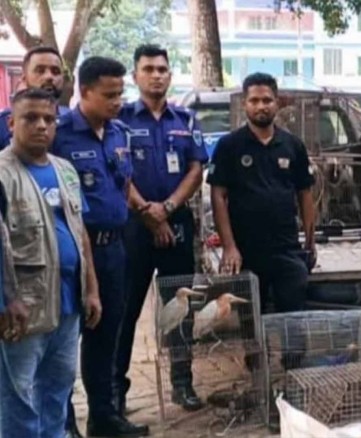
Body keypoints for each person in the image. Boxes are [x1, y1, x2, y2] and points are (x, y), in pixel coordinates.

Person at [51, 56, 149, 437]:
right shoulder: (60, 133)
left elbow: (123, 185)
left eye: (120, 94)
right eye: (109, 95)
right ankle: (64, 423)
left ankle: (103, 417)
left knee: (106, 334)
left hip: (113, 250)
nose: (117, 101)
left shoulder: (120, 133)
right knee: (64, 339)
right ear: (85, 91)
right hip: (74, 252)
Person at [0, 88, 101, 437]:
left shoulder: (66, 170)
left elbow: (80, 231)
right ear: (12, 122)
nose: (41, 126)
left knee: (58, 393)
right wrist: (6, 300)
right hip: (23, 310)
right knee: (18, 399)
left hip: (67, 307)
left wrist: (91, 289)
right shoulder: (2, 174)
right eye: (31, 118)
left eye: (49, 119)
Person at [116, 44, 208, 415]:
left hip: (178, 224)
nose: (156, 75)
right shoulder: (119, 120)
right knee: (125, 311)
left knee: (181, 307)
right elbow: (117, 173)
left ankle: (182, 384)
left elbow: (196, 171)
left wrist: (167, 209)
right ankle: (114, 393)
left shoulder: (185, 120)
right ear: (135, 76)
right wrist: (147, 214)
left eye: (162, 69)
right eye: (148, 69)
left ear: (170, 75)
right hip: (133, 227)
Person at [208, 72, 315, 365]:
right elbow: (219, 196)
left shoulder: (293, 145)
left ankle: (292, 375)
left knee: (293, 317)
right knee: (251, 321)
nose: (261, 106)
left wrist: (311, 239)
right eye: (254, 100)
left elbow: (305, 194)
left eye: (267, 100)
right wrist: (229, 246)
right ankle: (258, 382)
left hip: (287, 249)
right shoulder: (230, 146)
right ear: (245, 104)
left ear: (277, 103)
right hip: (246, 252)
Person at [0, 46, 69, 149]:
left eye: (55, 72)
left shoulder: (71, 122)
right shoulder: (3, 123)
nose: (49, 77)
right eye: (40, 71)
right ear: (24, 78)